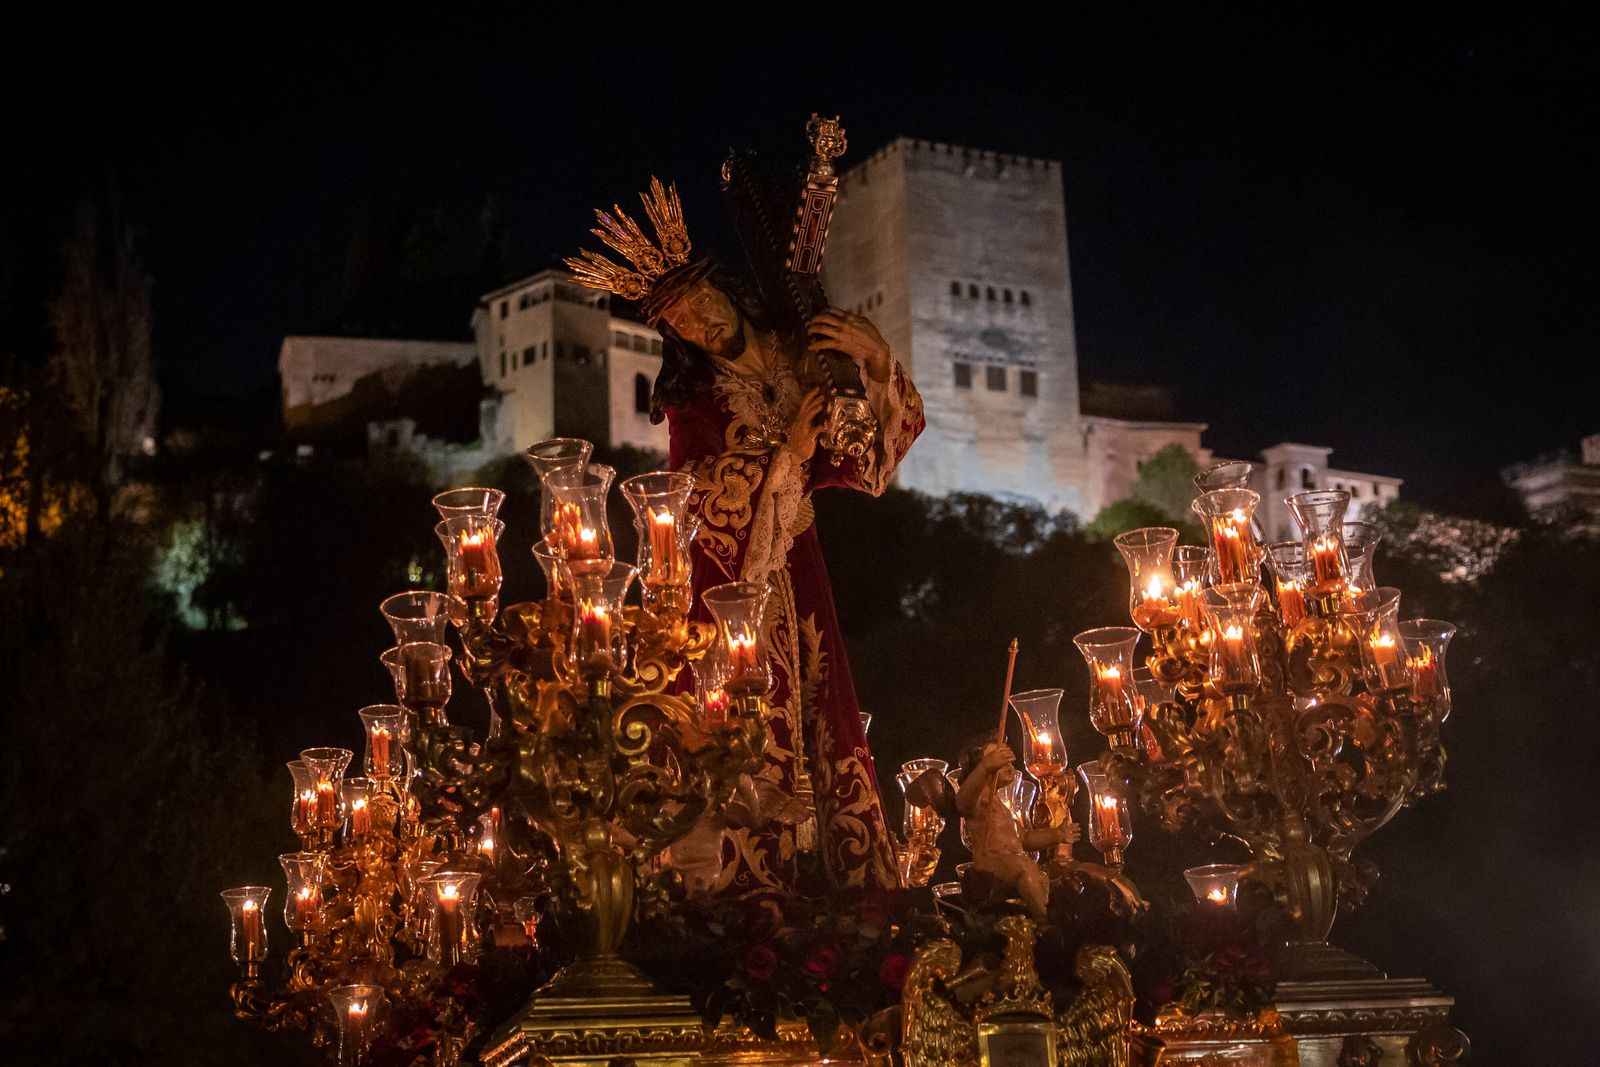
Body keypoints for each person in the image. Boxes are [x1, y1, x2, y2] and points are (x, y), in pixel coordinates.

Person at [567, 180, 924, 899]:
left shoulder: (801, 349)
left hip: (804, 578)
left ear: (723, 288)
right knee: (749, 736)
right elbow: (698, 510)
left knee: (826, 725)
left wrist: (879, 362)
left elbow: (867, 467)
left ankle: (846, 889)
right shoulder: (694, 404)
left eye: (701, 302)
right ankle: (755, 893)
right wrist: (788, 454)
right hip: (739, 598)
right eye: (680, 323)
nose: (698, 323)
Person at [955, 742, 1079, 920]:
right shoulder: (978, 797)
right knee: (1024, 867)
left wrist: (1057, 834)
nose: (1007, 766)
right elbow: (962, 803)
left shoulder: (1002, 808)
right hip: (989, 863)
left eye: (1008, 761)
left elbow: (1025, 838)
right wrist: (984, 768)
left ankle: (1036, 919)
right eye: (998, 760)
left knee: (1041, 876)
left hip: (1011, 862)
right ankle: (1043, 921)